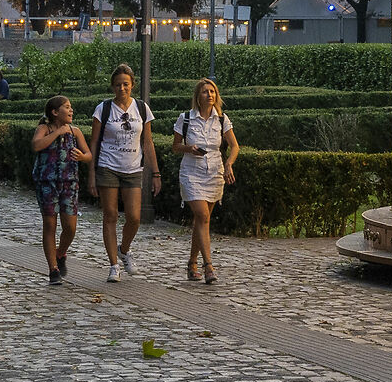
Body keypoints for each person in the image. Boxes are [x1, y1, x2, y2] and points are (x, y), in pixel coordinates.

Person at [87, 64, 158, 282]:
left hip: (133, 168)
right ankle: (113, 265)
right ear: (112, 86)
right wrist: (92, 174)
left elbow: (148, 142)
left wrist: (156, 173)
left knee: (134, 218)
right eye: (118, 85)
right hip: (108, 166)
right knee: (110, 215)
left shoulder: (141, 108)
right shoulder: (103, 109)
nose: (122, 88)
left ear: (132, 85)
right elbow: (94, 142)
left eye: (126, 84)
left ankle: (124, 249)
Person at [172, 78, 238, 285]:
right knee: (202, 216)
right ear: (197, 96)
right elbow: (175, 146)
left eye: (212, 91)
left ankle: (192, 263)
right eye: (205, 91)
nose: (209, 95)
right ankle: (208, 265)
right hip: (192, 172)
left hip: (215, 172)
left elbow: (235, 146)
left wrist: (229, 164)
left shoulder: (222, 119)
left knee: (202, 220)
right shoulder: (186, 119)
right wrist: (189, 148)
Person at [29, 94, 90, 284]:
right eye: (67, 107)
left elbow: (89, 154)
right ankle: (53, 270)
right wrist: (57, 133)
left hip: (69, 183)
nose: (71, 110)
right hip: (47, 183)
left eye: (71, 107)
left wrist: (82, 157)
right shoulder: (44, 128)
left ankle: (60, 253)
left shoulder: (75, 131)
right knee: (50, 225)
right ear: (55, 112)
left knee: (70, 227)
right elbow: (36, 145)